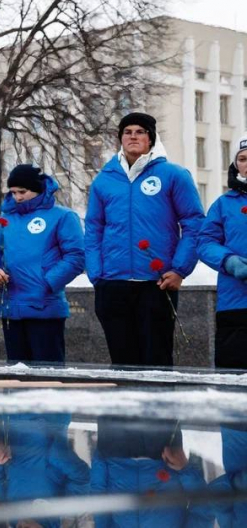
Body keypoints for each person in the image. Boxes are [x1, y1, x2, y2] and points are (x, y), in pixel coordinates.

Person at [85, 112, 204, 367]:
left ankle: (159, 407)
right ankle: (125, 409)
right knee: (121, 363)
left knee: (156, 361)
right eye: (127, 132)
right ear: (120, 139)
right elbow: (93, 228)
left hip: (157, 283)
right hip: (112, 283)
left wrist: (179, 270)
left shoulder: (173, 175)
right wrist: (97, 274)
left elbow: (194, 224)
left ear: (151, 138)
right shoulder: (104, 180)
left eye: (140, 131)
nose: (133, 136)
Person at [0, 165, 85, 364]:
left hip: (45, 307)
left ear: (37, 189)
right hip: (11, 308)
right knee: (16, 376)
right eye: (13, 192)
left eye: (23, 192)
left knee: (47, 375)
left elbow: (76, 257)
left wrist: (47, 284)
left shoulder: (63, 217)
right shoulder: (6, 220)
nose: (18, 197)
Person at [197, 133, 247, 369]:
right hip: (235, 305)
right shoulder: (223, 204)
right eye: (243, 159)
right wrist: (229, 261)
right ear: (235, 165)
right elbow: (205, 242)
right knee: (233, 381)